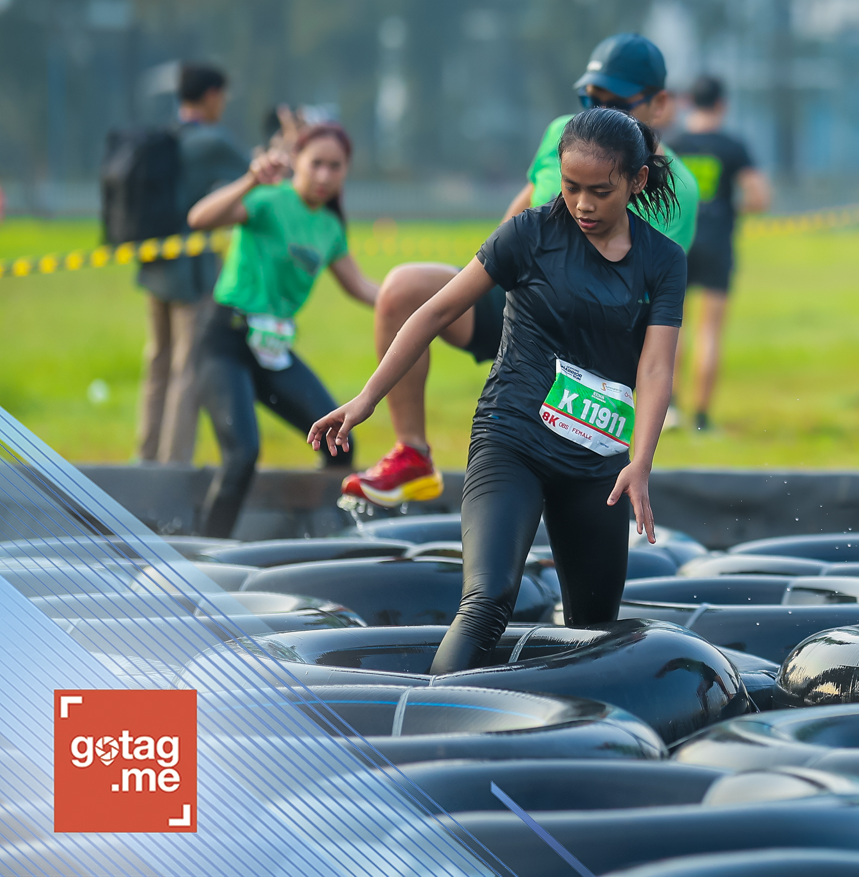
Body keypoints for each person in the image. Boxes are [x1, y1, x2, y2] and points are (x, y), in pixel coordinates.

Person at [309, 109, 684, 673]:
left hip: (597, 465)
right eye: (571, 187)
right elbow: (433, 312)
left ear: (637, 181)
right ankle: (428, 713)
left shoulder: (663, 261)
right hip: (513, 443)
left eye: (600, 192)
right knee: (488, 602)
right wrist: (366, 400)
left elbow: (655, 369)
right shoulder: (528, 234)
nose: (582, 205)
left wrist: (641, 461)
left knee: (595, 630)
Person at [348, 34, 698, 506]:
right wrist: (483, 271)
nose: (598, 112)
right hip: (523, 299)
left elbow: (651, 301)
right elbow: (522, 209)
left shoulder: (679, 190)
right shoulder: (563, 134)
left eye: (615, 103)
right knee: (404, 288)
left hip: (590, 336)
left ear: (659, 104)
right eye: (588, 99)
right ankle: (412, 455)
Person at [187, 124, 381, 537]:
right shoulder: (268, 199)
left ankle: (322, 537)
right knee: (242, 454)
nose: (324, 175)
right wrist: (249, 181)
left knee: (339, 442)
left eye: (335, 166)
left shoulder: (330, 227)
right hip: (224, 340)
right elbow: (199, 218)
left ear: (346, 171)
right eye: (316, 164)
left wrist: (433, 302)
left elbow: (363, 288)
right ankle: (206, 550)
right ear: (297, 162)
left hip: (272, 350)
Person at [137, 63, 249, 467]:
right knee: (188, 369)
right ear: (212, 95)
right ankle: (174, 465)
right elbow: (259, 172)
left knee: (158, 363)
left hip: (153, 267)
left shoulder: (163, 136)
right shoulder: (212, 141)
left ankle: (145, 458)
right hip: (191, 273)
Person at [669, 75, 772, 433]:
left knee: (672, 328)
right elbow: (760, 197)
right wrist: (731, 209)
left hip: (677, 243)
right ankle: (701, 418)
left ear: (687, 103)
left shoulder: (674, 144)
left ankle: (670, 409)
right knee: (709, 331)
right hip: (716, 243)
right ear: (722, 105)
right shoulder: (733, 147)